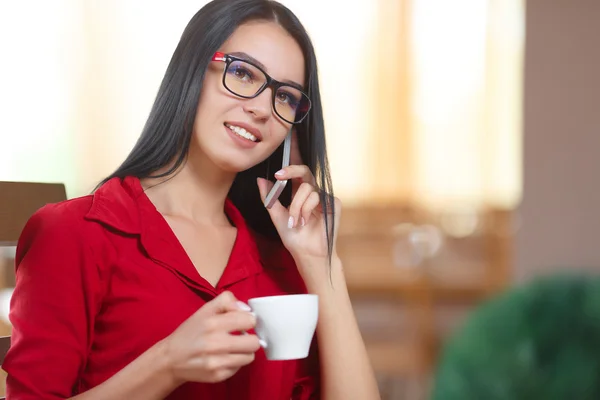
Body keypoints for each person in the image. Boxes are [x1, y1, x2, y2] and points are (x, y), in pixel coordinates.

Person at [3, 0, 380, 399]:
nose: (261, 108)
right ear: (193, 70)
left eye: (286, 97)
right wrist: (167, 362)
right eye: (242, 72)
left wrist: (322, 265)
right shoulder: (75, 232)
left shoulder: (283, 262)